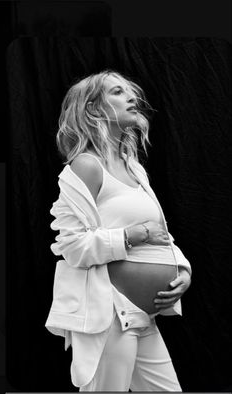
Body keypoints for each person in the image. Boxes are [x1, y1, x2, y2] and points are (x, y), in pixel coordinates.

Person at [45, 70, 192, 391]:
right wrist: (129, 236)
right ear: (95, 109)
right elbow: (71, 246)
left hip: (145, 316)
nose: (131, 97)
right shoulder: (86, 166)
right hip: (111, 313)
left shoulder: (135, 168)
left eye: (130, 92)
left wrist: (183, 271)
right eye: (117, 92)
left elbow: (159, 234)